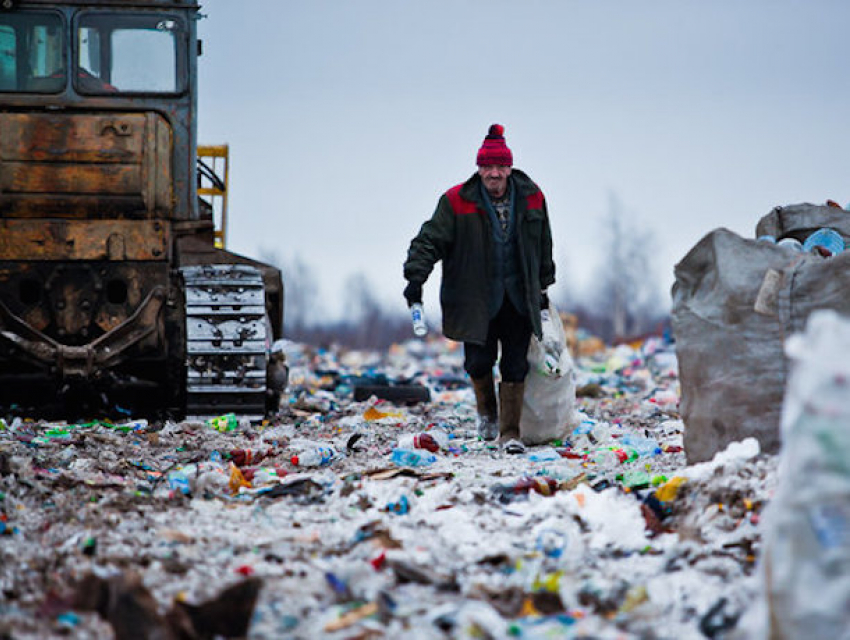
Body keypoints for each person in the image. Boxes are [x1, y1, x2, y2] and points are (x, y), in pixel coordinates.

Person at [403, 124, 555, 454]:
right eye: (488, 167)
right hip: (475, 298)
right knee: (478, 363)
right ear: (479, 168)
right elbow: (429, 241)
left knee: (516, 365)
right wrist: (416, 279)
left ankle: (510, 433)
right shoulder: (457, 201)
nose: (494, 174)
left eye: (500, 167)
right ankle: (487, 414)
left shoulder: (532, 197)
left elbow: (543, 243)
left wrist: (543, 288)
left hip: (517, 296)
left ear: (509, 168)